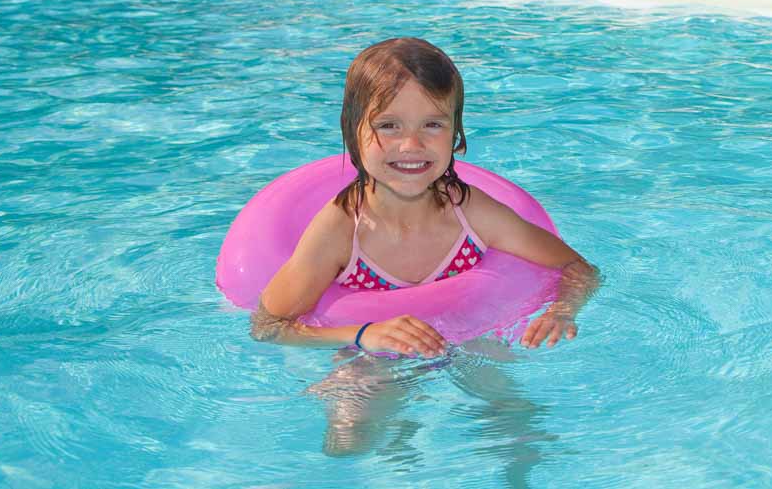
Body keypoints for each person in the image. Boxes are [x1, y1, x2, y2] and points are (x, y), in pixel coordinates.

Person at [250, 37, 600, 358]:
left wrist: (562, 311)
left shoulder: (472, 212)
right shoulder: (339, 231)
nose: (412, 145)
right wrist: (362, 334)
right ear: (352, 132)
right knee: (353, 413)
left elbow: (579, 268)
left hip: (468, 336)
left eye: (433, 125)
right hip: (371, 356)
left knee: (512, 414)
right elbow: (268, 327)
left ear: (455, 135)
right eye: (388, 125)